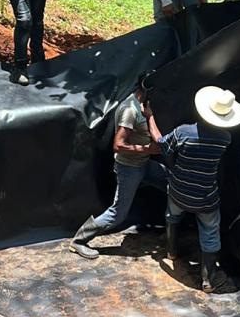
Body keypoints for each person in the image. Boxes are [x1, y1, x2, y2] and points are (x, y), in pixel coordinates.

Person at [147, 86, 240, 293]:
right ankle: (208, 279)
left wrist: (150, 118)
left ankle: (172, 252)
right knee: (210, 233)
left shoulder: (184, 132)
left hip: (178, 191)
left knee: (171, 216)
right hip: (205, 198)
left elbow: (162, 144)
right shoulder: (224, 139)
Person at [69, 74, 167, 259]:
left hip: (144, 164)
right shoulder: (130, 110)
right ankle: (79, 241)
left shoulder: (143, 106)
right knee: (118, 214)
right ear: (146, 90)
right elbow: (118, 145)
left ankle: (172, 233)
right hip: (129, 168)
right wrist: (149, 149)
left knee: (173, 184)